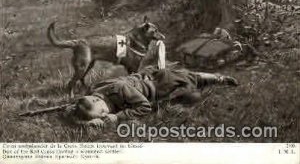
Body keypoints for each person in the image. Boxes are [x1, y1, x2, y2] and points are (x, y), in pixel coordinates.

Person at [67, 66, 239, 127]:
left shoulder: (120, 90)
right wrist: (79, 115)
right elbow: (79, 106)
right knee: (187, 90)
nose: (105, 115)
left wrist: (118, 117)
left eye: (103, 112)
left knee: (189, 80)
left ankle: (218, 78)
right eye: (102, 115)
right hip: (145, 79)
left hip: (158, 85)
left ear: (97, 99)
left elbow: (145, 107)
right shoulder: (94, 93)